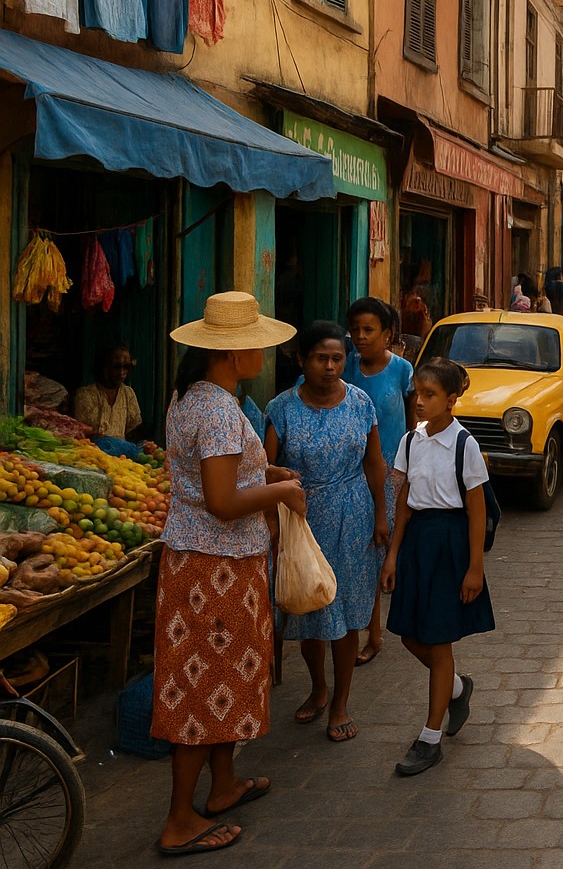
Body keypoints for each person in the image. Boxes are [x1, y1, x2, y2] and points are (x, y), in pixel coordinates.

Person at [152, 293, 306, 856]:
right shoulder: (218, 409)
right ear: (232, 351)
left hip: (209, 566)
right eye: (259, 343)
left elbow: (218, 467)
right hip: (211, 570)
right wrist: (283, 491)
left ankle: (222, 788)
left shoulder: (195, 397)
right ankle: (178, 821)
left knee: (222, 681)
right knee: (200, 689)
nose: (266, 351)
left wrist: (266, 470)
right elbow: (220, 497)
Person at [264, 322, 389, 743]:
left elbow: (375, 464)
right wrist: (273, 528)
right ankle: (317, 688)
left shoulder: (360, 403)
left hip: (354, 518)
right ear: (302, 360)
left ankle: (340, 702)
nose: (331, 367)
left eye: (338, 358)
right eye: (321, 358)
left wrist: (380, 516)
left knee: (348, 614)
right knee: (310, 609)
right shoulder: (280, 408)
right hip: (303, 522)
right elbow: (263, 470)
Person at [381, 358, 495, 777]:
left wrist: (475, 568)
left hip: (449, 545)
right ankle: (459, 687)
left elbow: (477, 512)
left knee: (439, 638)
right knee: (409, 634)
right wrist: (392, 555)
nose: (420, 402)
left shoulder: (465, 447)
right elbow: (403, 502)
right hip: (415, 545)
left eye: (430, 395)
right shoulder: (411, 441)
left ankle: (430, 738)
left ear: (452, 400)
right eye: (418, 393)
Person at [342, 298, 417, 665]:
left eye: (369, 330)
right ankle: (364, 630)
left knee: (379, 549)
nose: (360, 337)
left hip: (390, 472)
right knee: (361, 552)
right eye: (355, 330)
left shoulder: (403, 370)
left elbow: (412, 420)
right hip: (350, 473)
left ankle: (374, 633)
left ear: (388, 334)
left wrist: (410, 464)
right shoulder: (343, 369)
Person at [73, 343, 144, 440]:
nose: (121, 373)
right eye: (116, 367)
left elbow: (133, 428)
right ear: (103, 367)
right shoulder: (85, 395)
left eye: (126, 367)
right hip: (92, 452)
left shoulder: (128, 393)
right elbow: (79, 431)